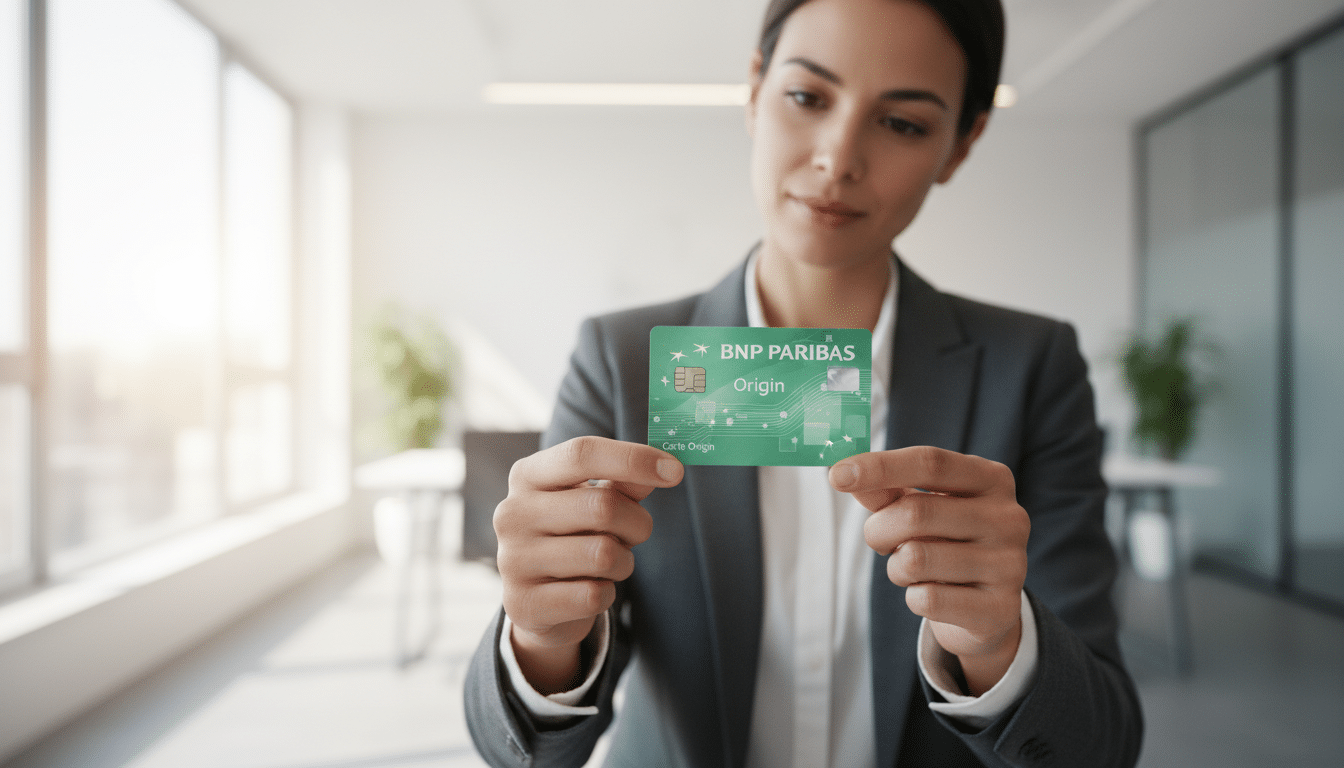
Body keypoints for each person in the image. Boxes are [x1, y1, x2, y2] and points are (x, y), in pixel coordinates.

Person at [465, 0, 1143, 765]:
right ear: (755, 90)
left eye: (903, 123)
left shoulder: (1033, 368)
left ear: (961, 143)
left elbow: (1102, 745)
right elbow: (529, 752)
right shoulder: (622, 360)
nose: (837, 158)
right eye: (806, 96)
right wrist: (541, 642)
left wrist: (1000, 645)